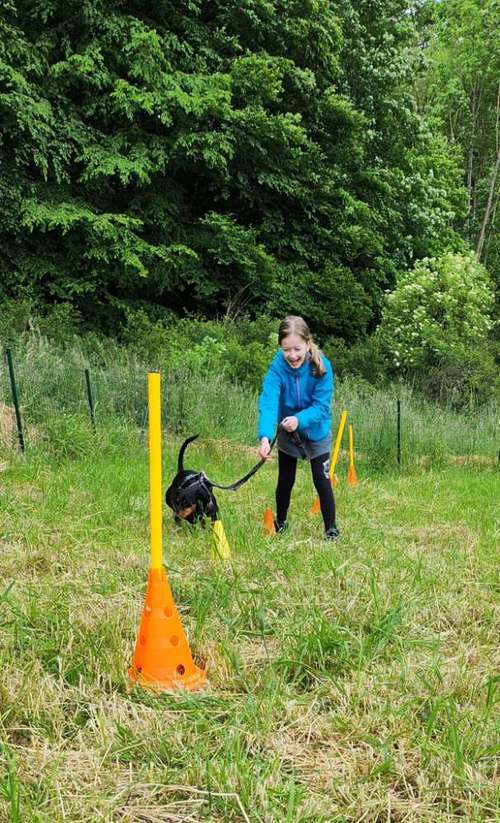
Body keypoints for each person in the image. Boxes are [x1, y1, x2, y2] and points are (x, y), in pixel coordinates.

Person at [258, 315, 339, 540]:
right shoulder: (277, 369)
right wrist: (265, 436)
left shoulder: (321, 367)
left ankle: (331, 529)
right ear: (280, 347)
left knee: (321, 480)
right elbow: (268, 401)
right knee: (285, 479)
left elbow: (321, 407)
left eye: (297, 349)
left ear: (307, 343)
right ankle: (281, 522)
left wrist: (299, 419)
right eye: (286, 350)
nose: (292, 355)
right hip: (288, 432)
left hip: (316, 432)